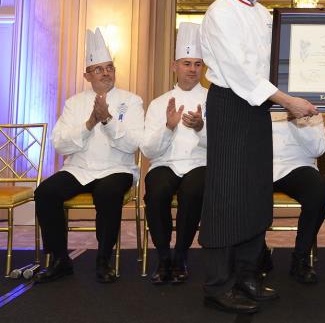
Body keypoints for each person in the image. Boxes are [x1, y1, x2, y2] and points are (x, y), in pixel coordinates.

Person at [199, 0, 317, 315]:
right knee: (226, 195)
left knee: (254, 192)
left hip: (258, 108)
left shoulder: (264, 13)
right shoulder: (220, 13)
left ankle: (248, 276)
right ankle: (218, 285)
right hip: (231, 106)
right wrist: (287, 100)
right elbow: (240, 74)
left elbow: (278, 63)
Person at [34, 28, 144, 284]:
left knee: (108, 192)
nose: (106, 72)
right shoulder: (74, 103)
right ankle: (60, 259)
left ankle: (103, 259)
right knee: (45, 192)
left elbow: (134, 144)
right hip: (79, 168)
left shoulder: (132, 101)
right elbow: (60, 144)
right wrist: (89, 123)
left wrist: (106, 120)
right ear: (87, 75)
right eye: (99, 69)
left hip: (116, 168)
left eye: (110, 67)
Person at [141, 22, 207, 285]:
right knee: (156, 191)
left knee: (193, 191)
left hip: (198, 163)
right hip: (165, 163)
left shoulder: (213, 100)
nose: (192, 69)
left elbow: (222, 149)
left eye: (197, 64)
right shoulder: (159, 104)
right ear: (174, 66)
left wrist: (201, 127)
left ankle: (181, 256)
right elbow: (148, 150)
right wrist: (168, 127)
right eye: (186, 63)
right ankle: (163, 257)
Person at [269, 113, 325, 284]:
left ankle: (301, 258)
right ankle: (258, 255)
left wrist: (295, 119)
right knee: (243, 190)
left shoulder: (309, 107)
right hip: (261, 165)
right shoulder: (259, 100)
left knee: (319, 192)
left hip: (298, 166)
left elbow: (318, 149)